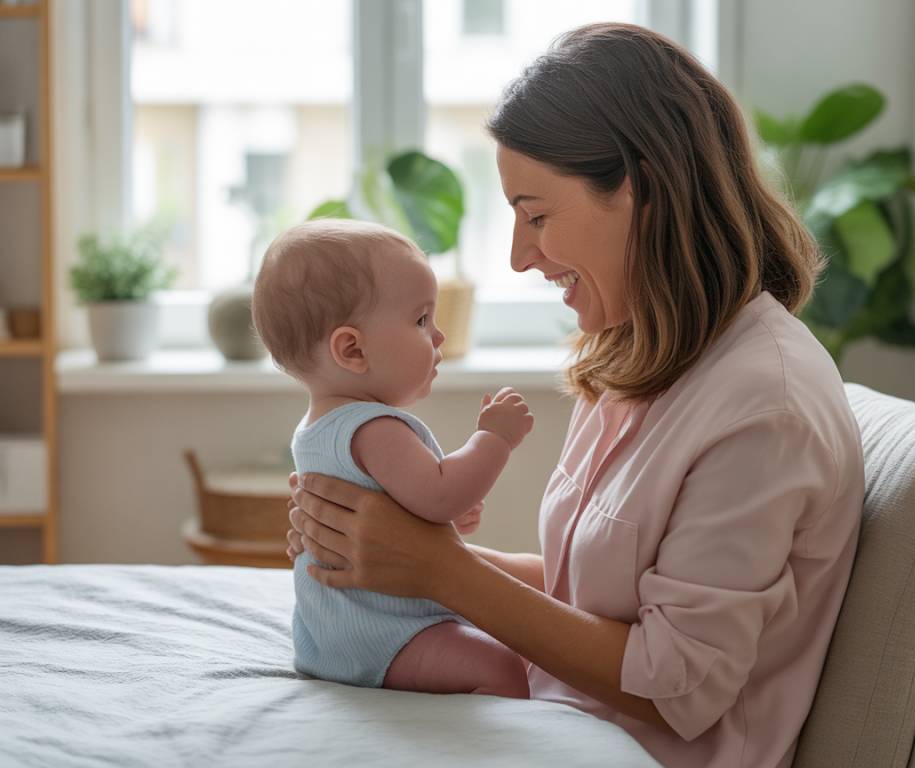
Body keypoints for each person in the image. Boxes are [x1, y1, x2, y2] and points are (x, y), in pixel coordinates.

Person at [284, 22, 865, 768]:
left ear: (639, 186)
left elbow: (674, 684)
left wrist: (435, 569)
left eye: (536, 215)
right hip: (561, 723)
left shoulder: (763, 408)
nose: (521, 256)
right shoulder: (647, 354)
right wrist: (378, 548)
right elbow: (586, 594)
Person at [252, 218, 533, 698]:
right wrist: (494, 439)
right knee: (503, 667)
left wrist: (436, 520)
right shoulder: (375, 428)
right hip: (382, 631)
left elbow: (412, 507)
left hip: (337, 632)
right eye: (422, 320)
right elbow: (441, 492)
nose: (439, 336)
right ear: (352, 349)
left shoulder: (320, 425)